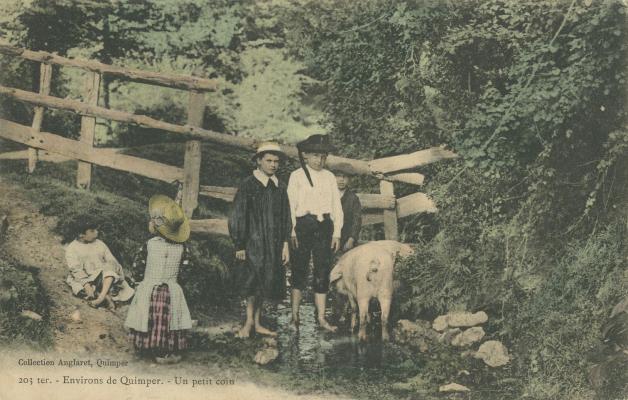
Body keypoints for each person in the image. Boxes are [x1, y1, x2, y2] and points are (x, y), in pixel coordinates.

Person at [228, 142, 292, 338]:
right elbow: (238, 215)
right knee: (252, 280)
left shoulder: (280, 187)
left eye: (276, 161)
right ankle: (248, 322)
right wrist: (239, 244)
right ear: (258, 161)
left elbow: (286, 217)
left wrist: (285, 244)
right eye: (268, 160)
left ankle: (257, 322)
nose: (273, 165)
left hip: (273, 243)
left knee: (266, 279)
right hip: (253, 242)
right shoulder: (248, 185)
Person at [124, 195, 192, 364]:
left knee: (147, 316)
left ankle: (145, 347)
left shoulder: (149, 245)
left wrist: (138, 281)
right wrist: (177, 283)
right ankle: (164, 350)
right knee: (168, 320)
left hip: (149, 288)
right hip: (171, 291)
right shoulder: (183, 248)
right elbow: (186, 271)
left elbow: (138, 266)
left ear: (156, 227)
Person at [287, 134, 343, 332]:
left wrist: (336, 233)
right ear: (306, 156)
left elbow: (337, 207)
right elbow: (290, 205)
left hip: (324, 227)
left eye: (323, 156)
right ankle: (295, 317)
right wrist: (292, 231)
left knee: (322, 271)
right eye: (315, 156)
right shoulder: (297, 176)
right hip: (303, 226)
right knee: (299, 269)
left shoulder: (329, 177)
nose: (319, 160)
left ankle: (321, 318)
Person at [65, 218, 134, 309]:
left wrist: (108, 268)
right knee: (80, 287)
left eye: (96, 230)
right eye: (92, 231)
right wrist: (87, 285)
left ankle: (100, 298)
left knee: (111, 266)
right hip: (86, 278)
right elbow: (76, 269)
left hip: (103, 277)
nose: (96, 232)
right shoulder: (72, 248)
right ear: (81, 234)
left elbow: (111, 260)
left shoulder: (99, 244)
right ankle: (105, 296)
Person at [334, 162, 362, 252]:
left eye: (345, 177)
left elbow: (356, 221)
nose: (341, 180)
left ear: (349, 179)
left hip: (346, 241)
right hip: (329, 239)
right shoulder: (328, 195)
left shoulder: (353, 198)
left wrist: (351, 239)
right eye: (338, 176)